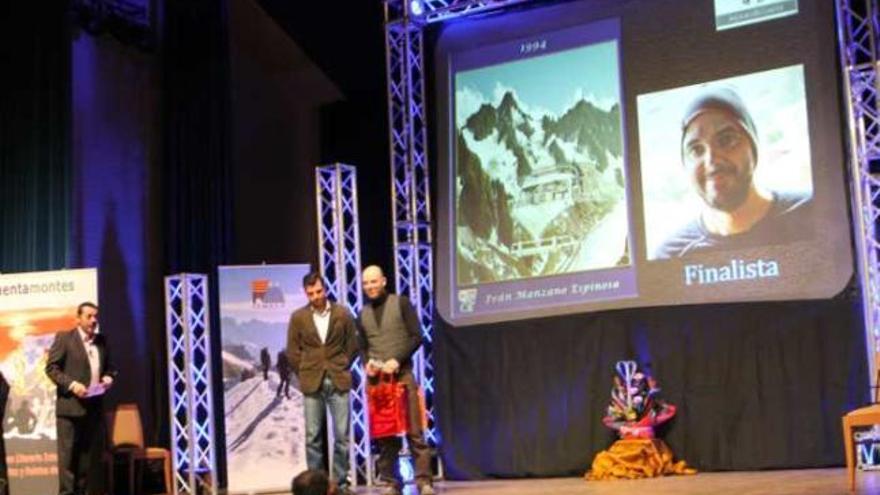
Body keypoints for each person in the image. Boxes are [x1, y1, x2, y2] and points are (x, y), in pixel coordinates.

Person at [654, 87, 811, 258]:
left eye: (726, 140)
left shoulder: (813, 211)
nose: (711, 160)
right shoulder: (670, 256)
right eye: (696, 150)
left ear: (753, 145)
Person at [358, 265, 434, 495]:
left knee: (414, 431)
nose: (370, 286)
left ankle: (423, 481)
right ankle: (392, 482)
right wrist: (367, 363)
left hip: (402, 377)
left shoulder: (401, 303)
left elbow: (417, 336)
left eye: (374, 281)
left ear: (384, 281)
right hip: (378, 382)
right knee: (385, 436)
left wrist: (398, 359)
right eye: (366, 283)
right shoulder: (362, 314)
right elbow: (362, 346)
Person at [286, 272, 358, 495]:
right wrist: (304, 370)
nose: (315, 296)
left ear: (324, 289)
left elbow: (353, 344)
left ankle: (340, 485)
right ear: (305, 293)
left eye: (318, 291)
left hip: (338, 377)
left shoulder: (342, 313)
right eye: (310, 294)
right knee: (313, 436)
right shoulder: (298, 317)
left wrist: (343, 362)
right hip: (312, 380)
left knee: (342, 436)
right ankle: (315, 488)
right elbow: (292, 351)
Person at [45, 302, 116, 495]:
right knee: (67, 462)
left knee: (86, 463)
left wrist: (109, 377)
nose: (93, 320)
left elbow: (110, 368)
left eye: (95, 317)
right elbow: (52, 368)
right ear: (78, 318)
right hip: (69, 411)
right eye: (89, 316)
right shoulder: (65, 338)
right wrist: (72, 385)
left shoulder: (102, 341)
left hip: (92, 410)